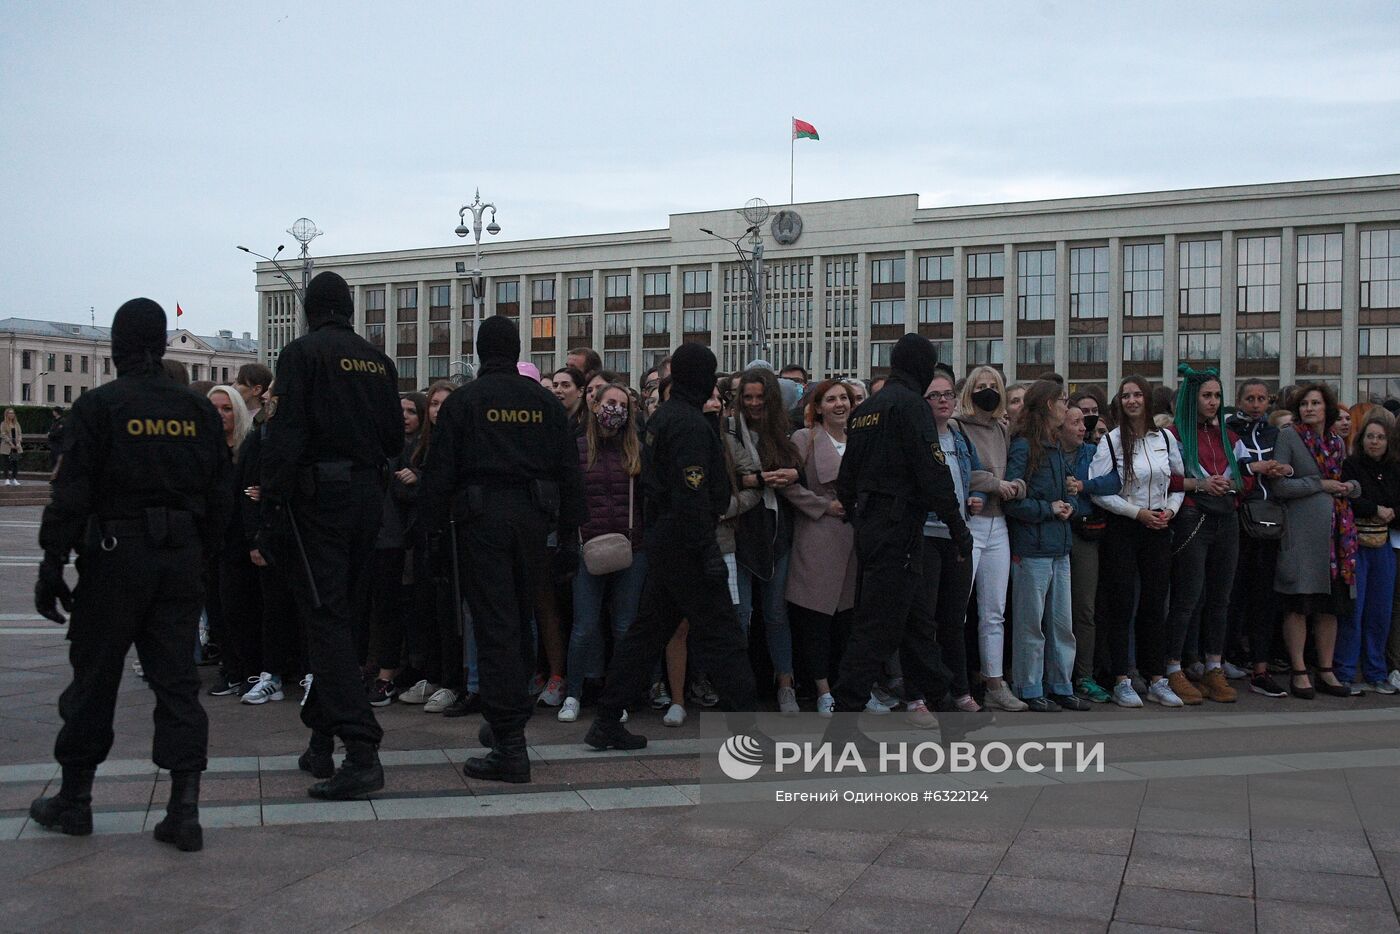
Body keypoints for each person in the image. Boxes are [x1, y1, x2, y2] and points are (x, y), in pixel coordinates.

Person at [30, 298, 231, 851]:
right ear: (161, 343)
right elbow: (222, 495)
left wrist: (52, 563)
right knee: (177, 683)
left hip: (116, 558)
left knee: (94, 679)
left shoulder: (101, 406)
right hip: (179, 558)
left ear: (119, 346)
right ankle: (184, 810)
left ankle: (75, 800)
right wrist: (201, 555)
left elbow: (71, 493)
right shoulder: (197, 412)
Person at [423, 316, 585, 782]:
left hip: (480, 526)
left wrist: (433, 539)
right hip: (533, 524)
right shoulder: (544, 402)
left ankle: (509, 744)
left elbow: (438, 476)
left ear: (479, 351)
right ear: (516, 351)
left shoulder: (465, 401)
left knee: (494, 629)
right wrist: (569, 537)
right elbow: (570, 473)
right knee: (521, 624)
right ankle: (506, 723)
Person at [259, 272, 402, 799]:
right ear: (349, 309)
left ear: (309, 311)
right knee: (341, 616)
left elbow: (285, 436)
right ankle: (321, 742)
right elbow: (393, 437)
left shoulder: (301, 354)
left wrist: (270, 507)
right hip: (367, 499)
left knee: (324, 619)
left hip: (319, 500)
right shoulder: (378, 361)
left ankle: (361, 751)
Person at [583, 342, 760, 752]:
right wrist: (708, 553)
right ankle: (748, 733)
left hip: (667, 540)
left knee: (646, 635)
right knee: (725, 639)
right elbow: (692, 495)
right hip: (689, 545)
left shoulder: (666, 417)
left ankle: (607, 719)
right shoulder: (689, 424)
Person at [830, 333, 971, 741]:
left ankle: (947, 711)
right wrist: (958, 529)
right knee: (875, 631)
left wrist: (859, 516)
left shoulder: (866, 410)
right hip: (900, 530)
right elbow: (933, 473)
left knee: (915, 626)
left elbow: (847, 477)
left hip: (872, 528)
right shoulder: (912, 406)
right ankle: (842, 727)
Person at [1090, 374, 1186, 708]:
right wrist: (1136, 513)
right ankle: (1121, 678)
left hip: (1158, 526)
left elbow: (1177, 482)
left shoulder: (1165, 438)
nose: (1131, 401)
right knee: (1121, 604)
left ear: (1146, 398)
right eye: (1125, 395)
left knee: (1155, 604)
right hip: (1124, 527)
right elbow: (1099, 490)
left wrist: (1170, 510)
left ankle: (1157, 678)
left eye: (1137, 395)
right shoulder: (1112, 441)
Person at [1163, 367, 1252, 705]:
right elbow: (1163, 479)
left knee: (1220, 597)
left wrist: (1232, 484)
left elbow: (1248, 478)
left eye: (1217, 395)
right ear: (1192, 399)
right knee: (1188, 596)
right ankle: (1174, 667)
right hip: (1192, 518)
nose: (1213, 402)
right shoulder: (1172, 436)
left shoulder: (1229, 437)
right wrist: (1200, 484)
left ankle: (1214, 665)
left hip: (1226, 518)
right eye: (1206, 396)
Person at [560, 383, 648, 723]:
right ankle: (573, 694)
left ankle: (618, 697)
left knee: (624, 626)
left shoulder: (636, 449)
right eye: (611, 402)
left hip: (630, 547)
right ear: (595, 405)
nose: (616, 410)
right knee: (584, 626)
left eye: (623, 405)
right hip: (589, 546)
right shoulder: (576, 448)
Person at [1270, 383, 1360, 699]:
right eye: (1304, 404)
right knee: (1299, 603)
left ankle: (1325, 669)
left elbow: (1340, 481)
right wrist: (1319, 484)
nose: (1309, 408)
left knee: (1330, 607)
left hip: (1336, 537)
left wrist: (1349, 487)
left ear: (1327, 408)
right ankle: (1298, 670)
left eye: (1315, 403)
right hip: (1301, 534)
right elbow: (1280, 487)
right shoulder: (1289, 437)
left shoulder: (1336, 442)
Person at [1003, 380, 1089, 712]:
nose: (1067, 407)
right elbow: (1013, 500)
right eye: (1063, 401)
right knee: (1030, 624)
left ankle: (1061, 685)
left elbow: (1067, 491)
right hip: (1032, 548)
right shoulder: (1024, 446)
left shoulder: (1054, 446)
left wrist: (1070, 506)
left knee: (1062, 625)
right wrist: (1048, 509)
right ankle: (1029, 686)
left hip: (1058, 547)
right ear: (1049, 405)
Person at [783, 379, 858, 717]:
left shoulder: (858, 439)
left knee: (847, 620)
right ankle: (822, 690)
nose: (839, 404)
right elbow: (788, 485)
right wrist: (822, 506)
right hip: (817, 533)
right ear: (818, 407)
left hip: (854, 536)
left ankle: (849, 687)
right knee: (815, 618)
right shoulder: (805, 438)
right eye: (831, 399)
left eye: (844, 398)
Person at [953, 366, 1025, 712]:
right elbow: (963, 472)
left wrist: (1015, 487)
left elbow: (1014, 472)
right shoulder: (957, 427)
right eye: (980, 385)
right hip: (971, 523)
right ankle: (955, 682)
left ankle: (994, 681)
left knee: (995, 611)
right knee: (957, 609)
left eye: (993, 386)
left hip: (999, 523)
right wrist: (996, 484)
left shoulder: (1001, 428)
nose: (987, 391)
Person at [733, 367, 801, 712]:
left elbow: (800, 472)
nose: (754, 403)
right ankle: (740, 684)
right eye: (748, 397)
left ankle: (785, 683)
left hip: (777, 530)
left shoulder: (785, 432)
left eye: (760, 397)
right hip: (740, 531)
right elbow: (727, 478)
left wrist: (793, 474)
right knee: (741, 613)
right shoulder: (730, 431)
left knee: (776, 613)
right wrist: (753, 480)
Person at [920, 370, 984, 714]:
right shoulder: (919, 437)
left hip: (959, 535)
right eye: (935, 395)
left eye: (947, 394)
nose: (943, 401)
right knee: (924, 619)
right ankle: (923, 694)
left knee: (954, 620)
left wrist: (977, 497)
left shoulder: (959, 437)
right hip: (927, 534)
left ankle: (960, 690)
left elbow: (975, 475)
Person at [1226, 380, 1291, 698]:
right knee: (1232, 594)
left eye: (1261, 399)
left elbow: (1295, 465)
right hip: (1238, 519)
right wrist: (1253, 467)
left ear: (1268, 402)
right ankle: (1223, 658)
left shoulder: (1275, 433)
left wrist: (1284, 469)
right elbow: (1226, 468)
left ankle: (1261, 668)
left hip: (1269, 522)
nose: (1255, 404)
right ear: (1239, 400)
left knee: (1264, 598)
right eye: (1249, 398)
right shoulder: (1229, 431)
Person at [1061, 406, 1120, 703]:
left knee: (1084, 608)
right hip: (1054, 531)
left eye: (1084, 423)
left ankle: (1084, 675)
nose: (1083, 428)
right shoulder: (1048, 452)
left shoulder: (1093, 452)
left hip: (1085, 534)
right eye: (1075, 423)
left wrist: (1084, 486)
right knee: (1054, 610)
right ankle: (1054, 676)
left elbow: (1114, 481)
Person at [1338, 410, 1399, 694]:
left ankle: (1376, 672)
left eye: (1381, 437)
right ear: (1361, 439)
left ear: (1388, 441)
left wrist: (1390, 511)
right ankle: (1346, 671)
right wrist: (1375, 508)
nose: (1375, 442)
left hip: (1383, 545)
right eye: (1370, 436)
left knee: (1380, 611)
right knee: (1354, 609)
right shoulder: (1351, 465)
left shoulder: (1394, 468)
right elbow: (1352, 498)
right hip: (1355, 545)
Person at [1, 408, 21, 485]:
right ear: (6, 414)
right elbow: (3, 434)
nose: (12, 414)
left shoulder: (16, 424)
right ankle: (7, 479)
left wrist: (18, 443)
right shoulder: (3, 424)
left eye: (13, 413)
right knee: (6, 463)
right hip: (6, 445)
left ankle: (14, 478)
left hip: (16, 446)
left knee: (15, 463)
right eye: (10, 413)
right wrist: (10, 443)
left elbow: (20, 434)